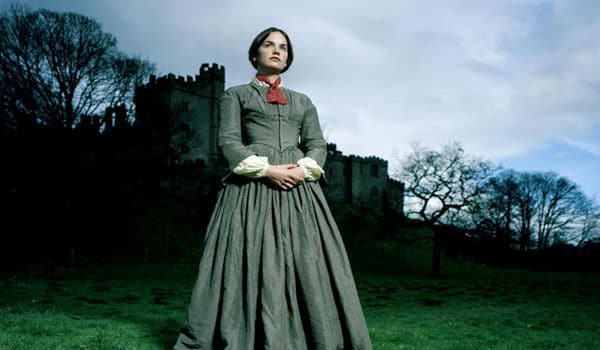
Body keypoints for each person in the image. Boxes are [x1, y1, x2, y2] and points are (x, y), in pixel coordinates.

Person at [173, 27, 373, 350]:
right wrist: (266, 170)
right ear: (256, 54)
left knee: (308, 262)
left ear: (288, 58)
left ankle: (314, 337)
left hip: (299, 191)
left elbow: (317, 144)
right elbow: (228, 142)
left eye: (283, 47)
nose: (277, 50)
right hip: (249, 193)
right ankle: (247, 334)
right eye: (269, 44)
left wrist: (302, 169)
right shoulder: (234, 95)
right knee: (246, 258)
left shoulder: (304, 102)